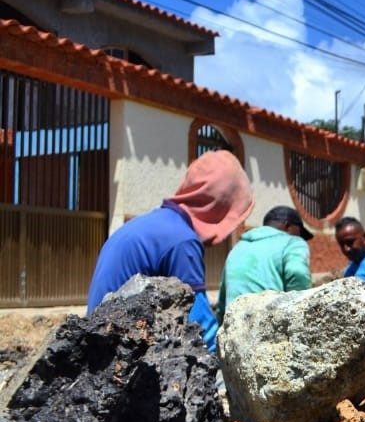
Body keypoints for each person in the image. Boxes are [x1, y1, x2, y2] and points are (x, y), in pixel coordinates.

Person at [87, 150, 254, 352]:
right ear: (219, 207)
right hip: (120, 357)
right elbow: (200, 328)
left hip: (99, 348)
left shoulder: (147, 225)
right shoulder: (182, 241)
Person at [216, 205, 313, 321]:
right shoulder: (293, 242)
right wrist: (300, 316)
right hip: (268, 327)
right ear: (288, 226)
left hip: (234, 326)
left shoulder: (238, 248)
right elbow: (298, 273)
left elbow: (222, 299)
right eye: (299, 233)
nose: (300, 237)